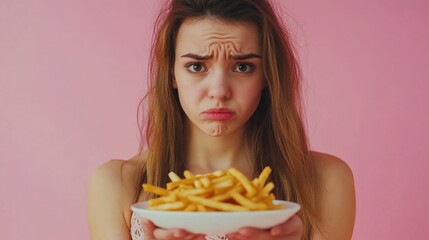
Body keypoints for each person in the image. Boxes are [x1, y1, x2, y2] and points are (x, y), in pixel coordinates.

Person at [87, 0, 356, 239]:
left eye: (242, 67)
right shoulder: (115, 185)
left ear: (267, 76)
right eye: (196, 66)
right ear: (171, 74)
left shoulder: (325, 181)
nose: (219, 91)